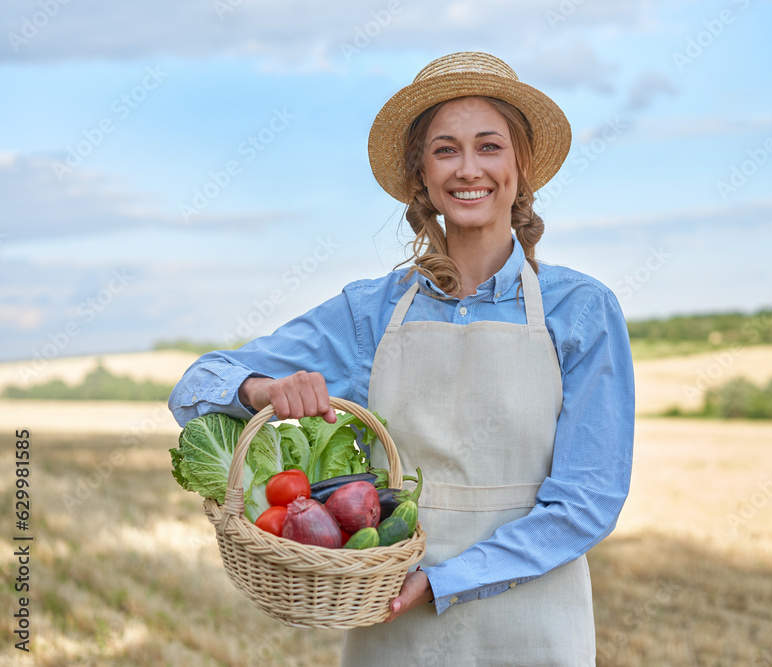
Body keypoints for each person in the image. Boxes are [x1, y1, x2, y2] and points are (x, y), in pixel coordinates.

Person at [169, 51, 634, 666]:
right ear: (421, 173)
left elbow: (587, 501)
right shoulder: (369, 315)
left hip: (534, 625)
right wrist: (263, 391)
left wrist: (448, 579)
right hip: (393, 625)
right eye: (445, 150)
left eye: (489, 146)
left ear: (521, 165)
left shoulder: (580, 310)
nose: (469, 169)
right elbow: (196, 386)